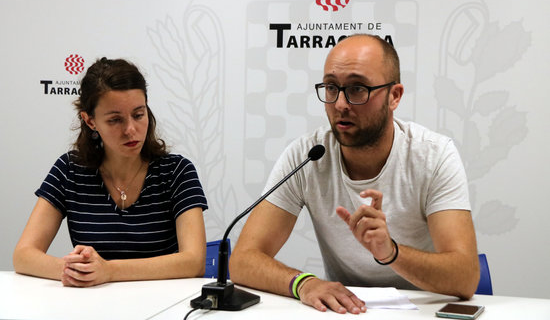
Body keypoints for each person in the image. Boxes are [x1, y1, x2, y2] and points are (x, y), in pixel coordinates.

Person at [229, 34, 479, 314]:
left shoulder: (433, 156)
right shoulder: (308, 155)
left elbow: (465, 278)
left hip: (424, 311)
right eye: (332, 88)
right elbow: (243, 259)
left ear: (394, 96)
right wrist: (303, 283)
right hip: (347, 312)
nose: (340, 104)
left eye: (357, 89)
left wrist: (390, 252)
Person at [13, 58, 208, 287]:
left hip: (163, 305)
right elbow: (23, 255)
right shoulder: (69, 169)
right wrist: (78, 271)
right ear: (90, 121)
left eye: (138, 114)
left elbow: (194, 262)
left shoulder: (177, 171)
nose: (130, 130)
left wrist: (109, 270)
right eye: (115, 120)